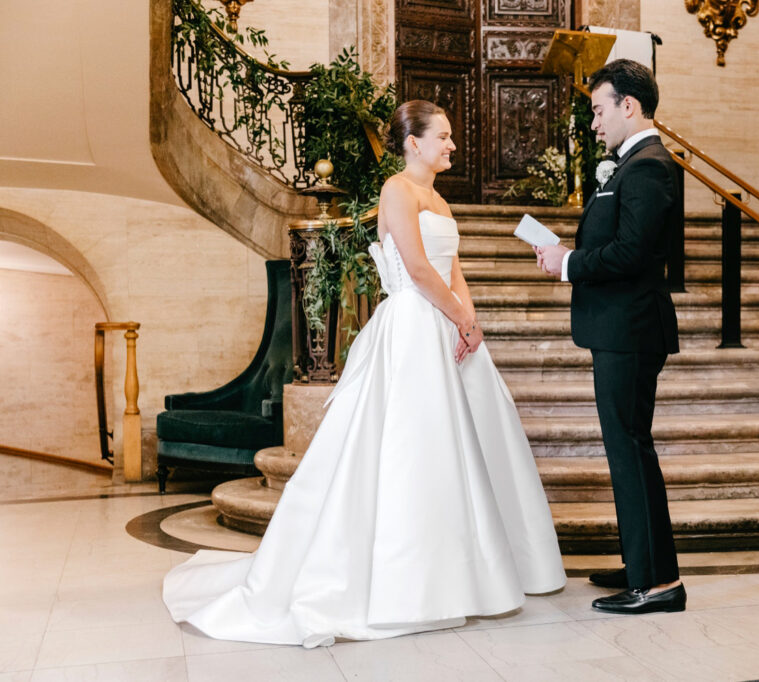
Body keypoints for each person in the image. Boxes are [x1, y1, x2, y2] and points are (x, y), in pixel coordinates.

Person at [163, 100, 566, 646]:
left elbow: (453, 269)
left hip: (448, 324)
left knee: (466, 447)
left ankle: (469, 575)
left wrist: (470, 320)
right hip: (413, 325)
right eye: (443, 136)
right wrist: (458, 316)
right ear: (414, 143)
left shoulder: (440, 200)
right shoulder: (397, 190)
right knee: (412, 447)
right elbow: (417, 269)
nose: (452, 145)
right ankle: (408, 583)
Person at [535, 59, 685, 615]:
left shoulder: (649, 166)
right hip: (620, 326)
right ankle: (641, 562)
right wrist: (567, 253)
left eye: (599, 111)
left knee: (630, 450)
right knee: (627, 449)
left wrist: (569, 262)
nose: (594, 123)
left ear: (629, 105)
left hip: (632, 327)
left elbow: (632, 253)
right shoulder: (630, 165)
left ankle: (659, 584)